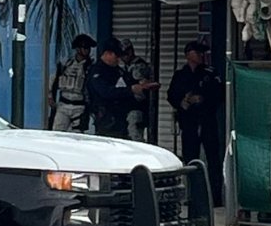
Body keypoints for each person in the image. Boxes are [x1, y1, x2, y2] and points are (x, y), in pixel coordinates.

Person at [166, 39, 224, 206]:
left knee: (213, 159)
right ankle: (192, 195)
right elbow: (171, 95)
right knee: (190, 159)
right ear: (188, 55)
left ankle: (215, 197)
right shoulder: (180, 75)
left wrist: (203, 99)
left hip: (207, 121)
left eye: (202, 53)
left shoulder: (210, 73)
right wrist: (183, 101)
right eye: (197, 53)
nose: (201, 56)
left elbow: (220, 95)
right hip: (189, 122)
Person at [87, 37, 158, 139]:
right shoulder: (97, 71)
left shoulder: (118, 71)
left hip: (121, 120)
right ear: (108, 54)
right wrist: (131, 90)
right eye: (117, 55)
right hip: (106, 121)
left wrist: (142, 85)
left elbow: (129, 82)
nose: (119, 59)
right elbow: (106, 92)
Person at [49, 34, 95, 132]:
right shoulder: (66, 64)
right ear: (78, 49)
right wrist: (50, 97)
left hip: (80, 107)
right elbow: (54, 81)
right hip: (63, 104)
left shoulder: (91, 67)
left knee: (77, 136)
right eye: (85, 47)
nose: (88, 50)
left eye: (88, 48)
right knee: (56, 133)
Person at [120, 38, 153, 142]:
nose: (122, 57)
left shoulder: (139, 66)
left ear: (130, 52)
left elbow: (142, 89)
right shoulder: (126, 66)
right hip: (128, 108)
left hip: (137, 108)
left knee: (135, 138)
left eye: (124, 54)